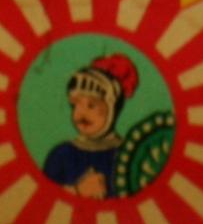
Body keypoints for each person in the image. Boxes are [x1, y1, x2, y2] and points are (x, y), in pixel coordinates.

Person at [40, 52, 141, 199]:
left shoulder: (128, 156)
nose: (80, 114)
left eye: (91, 105)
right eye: (75, 105)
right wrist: (77, 191)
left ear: (112, 109)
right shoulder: (60, 155)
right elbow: (41, 204)